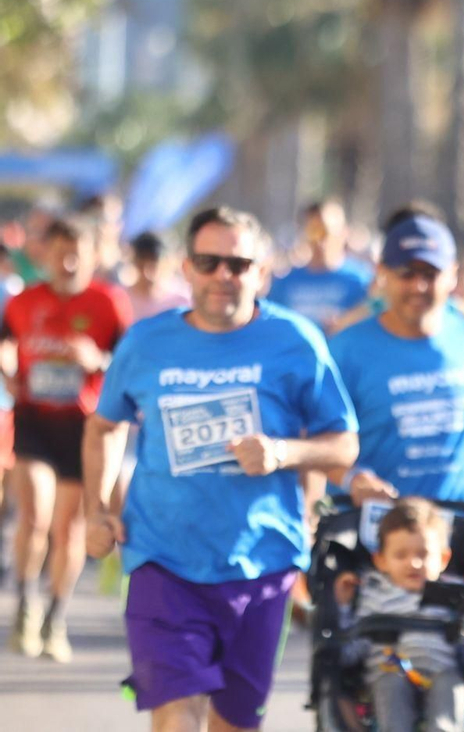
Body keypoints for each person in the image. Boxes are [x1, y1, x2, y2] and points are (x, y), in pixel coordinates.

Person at [81, 206, 359, 732]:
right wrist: (95, 509)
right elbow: (105, 426)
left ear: (261, 271)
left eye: (237, 263)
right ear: (186, 268)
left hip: (262, 562)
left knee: (233, 724)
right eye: (208, 262)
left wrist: (282, 453)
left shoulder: (296, 342)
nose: (222, 276)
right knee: (177, 715)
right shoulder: (146, 343)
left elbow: (343, 445)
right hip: (162, 558)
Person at [327, 213, 464, 516]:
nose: (418, 286)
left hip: (454, 521)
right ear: (383, 273)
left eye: (430, 274)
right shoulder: (346, 349)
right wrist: (352, 479)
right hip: (373, 527)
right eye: (406, 273)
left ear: (451, 275)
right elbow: (315, 435)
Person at [1, 214, 132, 660]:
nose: (68, 260)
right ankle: (25, 602)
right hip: (35, 419)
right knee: (35, 513)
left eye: (77, 252)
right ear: (47, 255)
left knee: (68, 529)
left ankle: (56, 616)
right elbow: (4, 342)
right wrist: (10, 375)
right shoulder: (23, 301)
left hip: (84, 429)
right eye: (60, 252)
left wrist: (97, 358)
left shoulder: (109, 303)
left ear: (94, 256)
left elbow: (132, 365)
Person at [334, 498, 464, 732]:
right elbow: (350, 652)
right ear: (381, 560)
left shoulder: (456, 595)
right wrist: (343, 608)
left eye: (423, 554)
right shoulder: (373, 595)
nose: (413, 563)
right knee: (390, 684)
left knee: (453, 685)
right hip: (389, 674)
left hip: (442, 672)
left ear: (444, 559)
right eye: (401, 555)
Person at [267, 198, 373, 333]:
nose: (319, 241)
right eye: (313, 232)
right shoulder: (285, 282)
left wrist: (348, 320)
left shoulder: (362, 281)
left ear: (344, 232)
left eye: (325, 232)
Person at [127, 231, 190, 323]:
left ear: (167, 262)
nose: (146, 272)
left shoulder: (181, 303)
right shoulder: (121, 299)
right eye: (141, 264)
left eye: (153, 265)